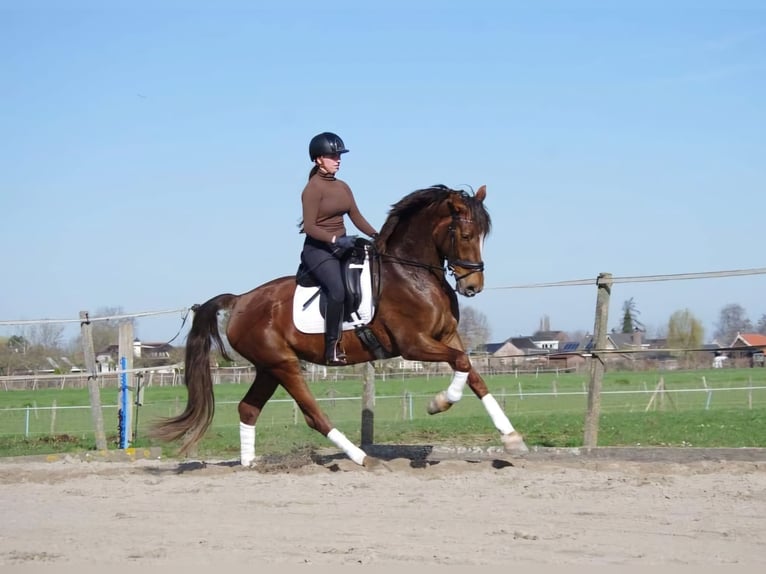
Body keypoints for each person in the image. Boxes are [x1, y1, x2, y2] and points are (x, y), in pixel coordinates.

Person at [300, 132, 378, 366]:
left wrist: (378, 236)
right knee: (338, 291)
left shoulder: (343, 186)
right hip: (319, 251)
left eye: (339, 155)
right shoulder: (313, 189)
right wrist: (335, 240)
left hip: (343, 245)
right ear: (318, 159)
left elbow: (356, 216)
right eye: (333, 156)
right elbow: (310, 227)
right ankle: (331, 348)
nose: (338, 159)